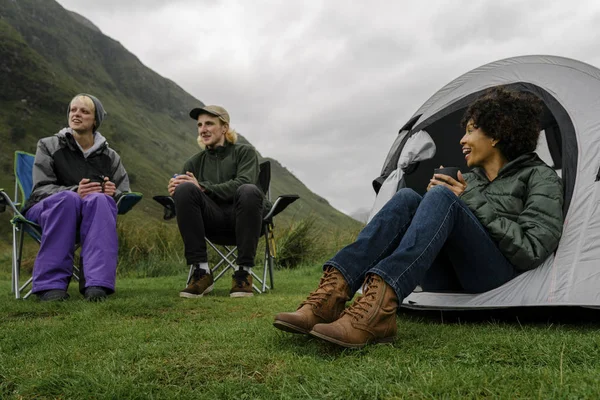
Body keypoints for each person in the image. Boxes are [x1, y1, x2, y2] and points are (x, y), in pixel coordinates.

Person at [273, 87, 564, 348]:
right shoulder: (469, 178)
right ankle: (331, 294)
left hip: (495, 277)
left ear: (498, 133)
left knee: (440, 196)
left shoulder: (540, 177)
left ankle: (378, 312)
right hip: (448, 276)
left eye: (472, 130)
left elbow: (531, 250)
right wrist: (430, 209)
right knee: (408, 198)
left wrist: (462, 200)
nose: (462, 139)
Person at [25, 94, 131, 302]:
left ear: (95, 120)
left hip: (90, 217)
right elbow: (40, 189)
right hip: (47, 210)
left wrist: (113, 193)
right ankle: (50, 286)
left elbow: (125, 194)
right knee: (68, 200)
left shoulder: (110, 156)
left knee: (101, 200)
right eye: (73, 110)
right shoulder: (48, 145)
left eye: (84, 111)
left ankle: (97, 284)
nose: (76, 114)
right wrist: (75, 191)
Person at [168, 105, 266, 299]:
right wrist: (176, 190)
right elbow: (191, 198)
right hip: (211, 223)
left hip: (245, 221)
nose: (203, 129)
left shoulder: (245, 153)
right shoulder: (193, 163)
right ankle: (202, 272)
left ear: (224, 128)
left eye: (209, 124)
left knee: (249, 190)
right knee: (185, 188)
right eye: (200, 125)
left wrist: (203, 187)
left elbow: (244, 182)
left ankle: (243, 273)